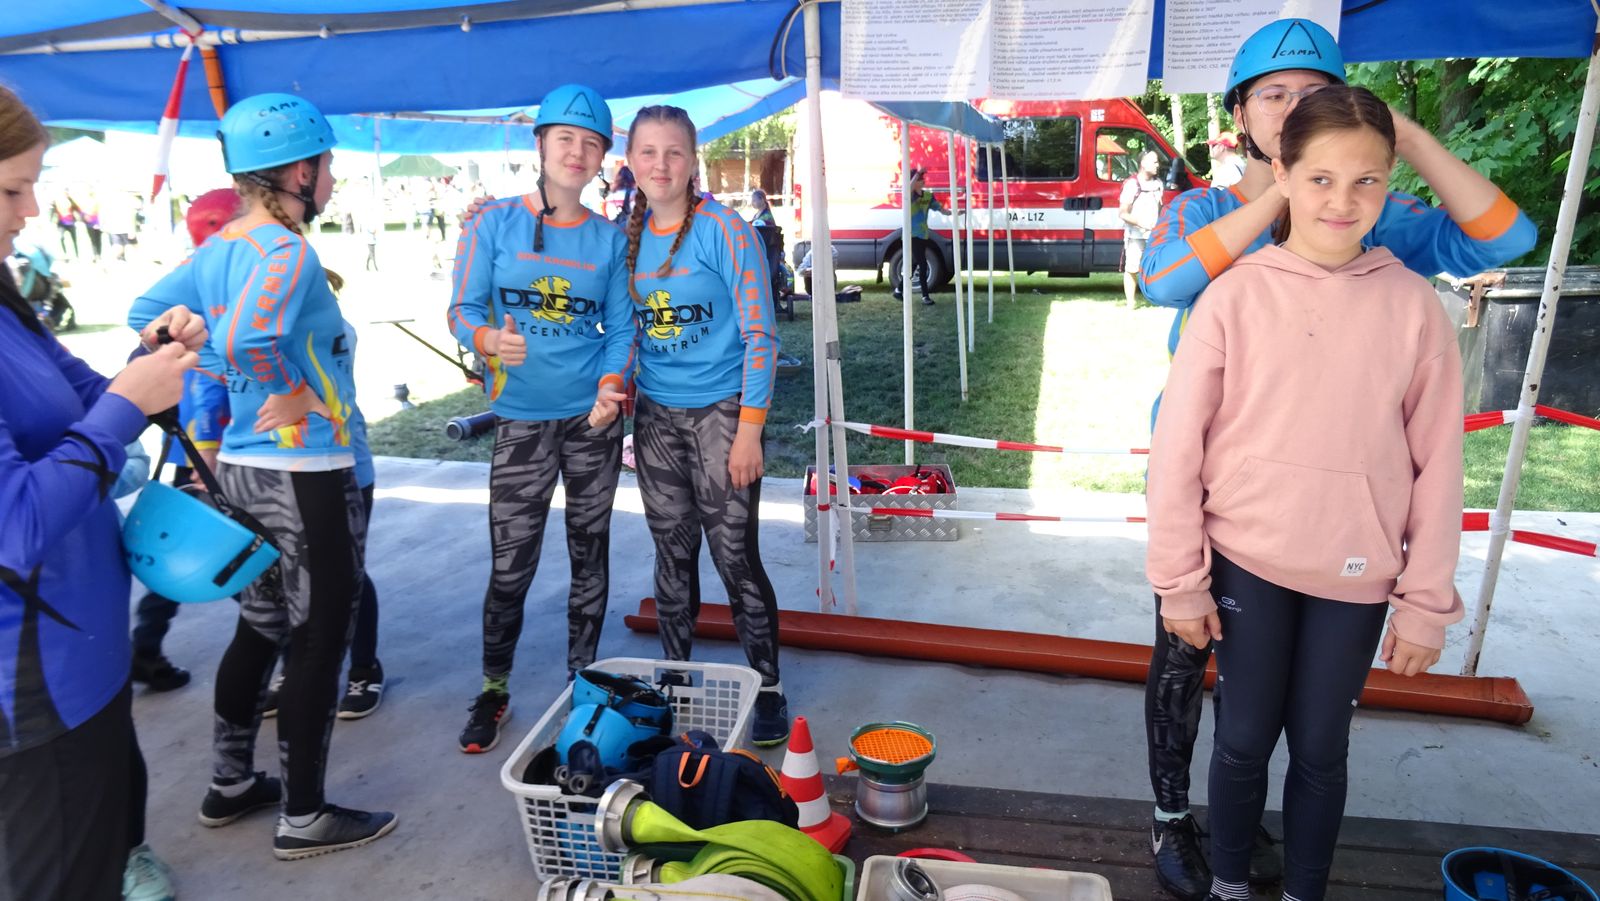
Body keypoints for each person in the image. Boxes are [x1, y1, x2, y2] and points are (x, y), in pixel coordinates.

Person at [1137, 19, 1536, 901]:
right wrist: (1284, 191)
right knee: (1193, 677)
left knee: (1309, 735)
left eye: (1313, 93)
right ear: (1241, 113)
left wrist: (1394, 139)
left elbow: (1506, 237)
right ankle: (1173, 816)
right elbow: (1163, 281)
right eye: (1274, 95)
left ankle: (1256, 843)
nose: (1292, 108)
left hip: (1347, 523)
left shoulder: (1376, 224)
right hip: (1220, 498)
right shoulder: (1207, 210)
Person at [126, 92, 396, 860]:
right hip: (306, 469)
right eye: (328, 165)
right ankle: (304, 814)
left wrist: (217, 365)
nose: (333, 177)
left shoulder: (219, 248)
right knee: (318, 640)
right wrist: (289, 387)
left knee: (262, 626)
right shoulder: (286, 249)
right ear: (299, 171)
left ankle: (231, 782)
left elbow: (145, 313)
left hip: (242, 469)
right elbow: (251, 333)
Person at [1, 83, 207, 901]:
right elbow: (15, 524)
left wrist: (149, 361)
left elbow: (87, 395)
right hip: (35, 688)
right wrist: (129, 403)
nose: (31, 211)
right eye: (13, 189)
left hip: (84, 655)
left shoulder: (7, 302)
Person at [447, 84, 637, 755]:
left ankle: (581, 682)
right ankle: (493, 688)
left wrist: (611, 387)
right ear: (540, 145)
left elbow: (622, 329)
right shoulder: (491, 223)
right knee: (511, 566)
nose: (577, 153)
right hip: (521, 422)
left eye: (591, 143)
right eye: (565, 139)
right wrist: (486, 340)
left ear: (602, 157)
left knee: (590, 556)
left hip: (591, 423)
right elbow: (461, 309)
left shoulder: (609, 240)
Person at [613, 105, 789, 746]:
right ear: (630, 162)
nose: (661, 164)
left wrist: (749, 432)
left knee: (734, 556)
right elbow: (625, 330)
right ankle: (676, 681)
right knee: (671, 553)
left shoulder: (727, 231)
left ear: (693, 161)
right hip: (657, 420)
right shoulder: (624, 236)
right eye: (648, 152)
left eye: (674, 152)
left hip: (722, 415)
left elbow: (761, 336)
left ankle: (767, 686)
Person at [1118, 150, 1163, 309]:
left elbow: (1160, 208)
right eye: (1154, 162)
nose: (1158, 165)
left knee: (1155, 269)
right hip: (1135, 236)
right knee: (1132, 269)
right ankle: (1131, 303)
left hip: (1155, 235)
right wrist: (1141, 223)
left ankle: (1158, 300)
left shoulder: (1158, 184)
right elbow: (1122, 213)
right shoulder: (1132, 184)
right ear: (1143, 164)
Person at [900, 167, 944, 305]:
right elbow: (908, 188)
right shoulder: (908, 195)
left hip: (923, 234)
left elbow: (941, 209)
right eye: (919, 179)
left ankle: (899, 289)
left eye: (922, 178)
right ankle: (925, 296)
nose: (922, 180)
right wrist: (918, 172)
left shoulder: (928, 196)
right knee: (923, 264)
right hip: (911, 235)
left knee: (915, 263)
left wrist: (954, 212)